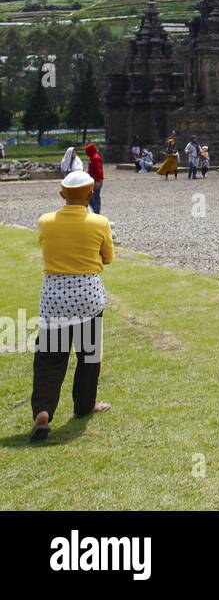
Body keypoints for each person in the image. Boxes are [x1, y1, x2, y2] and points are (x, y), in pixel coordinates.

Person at [30, 170, 114, 442]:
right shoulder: (99, 222)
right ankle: (84, 405)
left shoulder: (45, 222)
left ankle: (43, 410)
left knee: (49, 358)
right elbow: (108, 258)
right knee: (89, 356)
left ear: (61, 193)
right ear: (90, 195)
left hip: (55, 297)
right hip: (87, 297)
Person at [85, 143, 105, 214]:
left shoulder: (95, 158)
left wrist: (98, 181)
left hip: (97, 180)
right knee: (91, 195)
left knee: (96, 195)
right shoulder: (92, 157)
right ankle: (95, 209)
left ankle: (97, 210)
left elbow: (98, 170)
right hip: (94, 179)